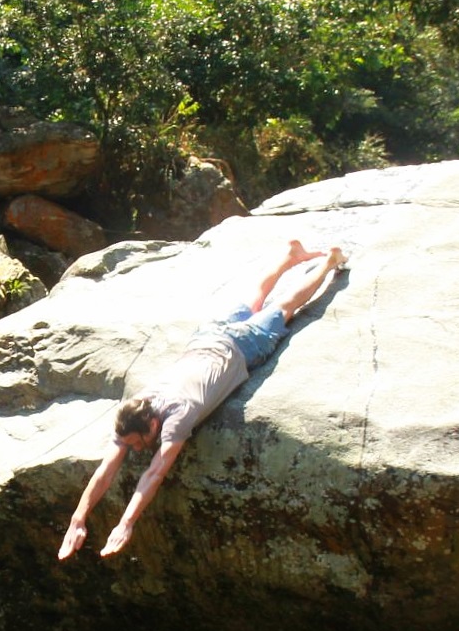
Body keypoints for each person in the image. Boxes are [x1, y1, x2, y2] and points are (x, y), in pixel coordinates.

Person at [58, 240, 347, 560]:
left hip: (240, 347)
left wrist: (127, 523)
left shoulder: (178, 415)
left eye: (138, 443)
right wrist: (77, 518)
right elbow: (105, 471)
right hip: (207, 336)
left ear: (154, 424)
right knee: (253, 301)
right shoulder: (137, 409)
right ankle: (288, 257)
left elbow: (154, 474)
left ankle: (328, 263)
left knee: (284, 308)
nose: (136, 449)